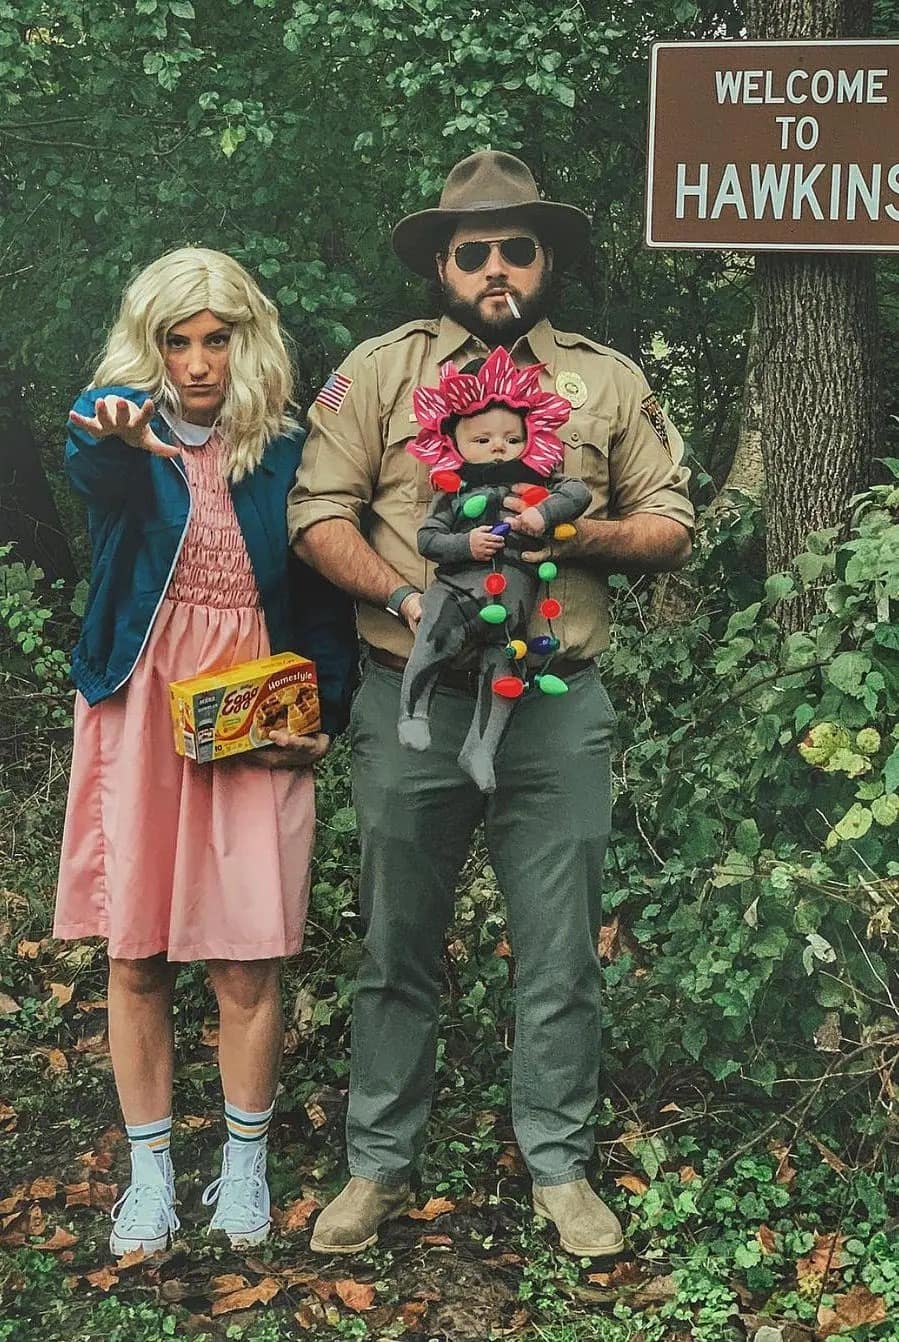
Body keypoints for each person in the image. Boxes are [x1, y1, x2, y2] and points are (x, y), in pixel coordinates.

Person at [288, 151, 694, 1258]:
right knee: (395, 940)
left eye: (519, 247)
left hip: (554, 707)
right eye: (475, 251)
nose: (498, 268)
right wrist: (411, 593)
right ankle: (375, 1162)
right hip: (408, 704)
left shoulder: (604, 381)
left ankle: (559, 1166)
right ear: (442, 266)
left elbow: (668, 521)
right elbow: (316, 512)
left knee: (560, 945)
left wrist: (572, 533)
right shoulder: (374, 373)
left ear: (546, 259)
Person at [53, 247, 357, 1258]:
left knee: (246, 955)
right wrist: (123, 439)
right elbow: (94, 467)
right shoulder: (121, 430)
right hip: (141, 709)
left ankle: (244, 1169)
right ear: (150, 346)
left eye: (214, 338)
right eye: (174, 341)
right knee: (134, 953)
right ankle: (149, 1179)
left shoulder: (281, 448)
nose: (195, 362)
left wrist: (327, 708)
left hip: (250, 714)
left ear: (246, 340)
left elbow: (316, 591)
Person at [400, 347, 591, 791]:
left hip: (514, 610)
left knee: (506, 670)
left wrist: (545, 515)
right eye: (482, 440)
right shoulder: (453, 490)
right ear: (455, 443)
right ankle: (414, 711)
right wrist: (466, 543)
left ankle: (480, 749)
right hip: (459, 597)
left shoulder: (538, 484)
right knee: (432, 644)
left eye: (510, 437)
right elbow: (428, 540)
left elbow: (578, 492)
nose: (498, 447)